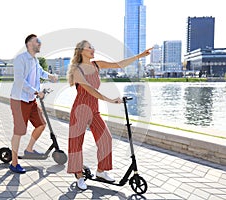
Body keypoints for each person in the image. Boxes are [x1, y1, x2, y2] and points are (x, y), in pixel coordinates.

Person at [66, 40, 152, 190]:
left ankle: (101, 171)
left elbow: (119, 64)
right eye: (89, 47)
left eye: (93, 46)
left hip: (94, 109)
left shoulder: (96, 65)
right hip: (80, 110)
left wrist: (140, 56)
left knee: (106, 138)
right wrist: (110, 100)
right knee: (76, 143)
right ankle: (79, 176)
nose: (93, 49)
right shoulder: (76, 70)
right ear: (81, 51)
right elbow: (90, 90)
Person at [9, 34, 58, 173]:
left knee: (41, 124)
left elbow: (40, 72)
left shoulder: (35, 60)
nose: (40, 44)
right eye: (38, 41)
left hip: (31, 100)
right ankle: (14, 163)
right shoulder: (21, 59)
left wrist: (50, 76)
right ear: (30, 43)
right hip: (19, 100)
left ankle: (29, 149)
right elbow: (19, 80)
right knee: (19, 132)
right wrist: (36, 92)